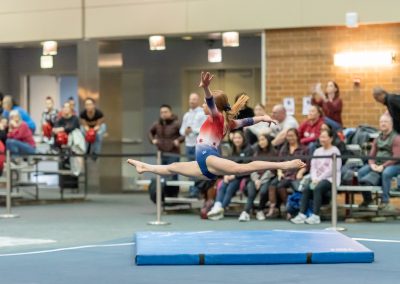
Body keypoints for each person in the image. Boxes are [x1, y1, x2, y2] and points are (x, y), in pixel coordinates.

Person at [127, 72, 305, 187]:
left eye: (205, 103)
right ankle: (145, 166)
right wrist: (262, 118)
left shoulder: (217, 116)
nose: (204, 105)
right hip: (203, 165)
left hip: (208, 158)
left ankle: (284, 164)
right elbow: (247, 121)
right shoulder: (227, 122)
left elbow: (212, 103)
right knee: (173, 167)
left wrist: (206, 88)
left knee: (240, 169)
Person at [291, 129, 342, 225]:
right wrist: (314, 178)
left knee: (318, 188)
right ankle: (302, 214)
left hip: (330, 179)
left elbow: (333, 169)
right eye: (321, 137)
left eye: (324, 137)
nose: (322, 139)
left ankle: (315, 216)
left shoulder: (335, 151)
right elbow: (313, 167)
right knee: (306, 188)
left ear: (330, 138)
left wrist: (319, 179)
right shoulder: (317, 151)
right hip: (315, 178)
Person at [357, 113, 400, 211]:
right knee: (361, 172)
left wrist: (383, 166)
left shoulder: (396, 138)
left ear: (391, 124)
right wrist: (372, 164)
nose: (383, 124)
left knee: (386, 173)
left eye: (385, 122)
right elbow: (371, 155)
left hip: (395, 164)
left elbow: (396, 157)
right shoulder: (377, 139)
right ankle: (367, 200)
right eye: (381, 122)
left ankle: (385, 202)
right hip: (378, 164)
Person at [208, 131, 253, 220]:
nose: (237, 140)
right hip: (231, 174)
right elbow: (228, 164)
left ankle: (221, 209)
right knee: (222, 186)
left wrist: (234, 176)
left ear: (243, 139)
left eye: (239, 138)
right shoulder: (232, 149)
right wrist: (226, 174)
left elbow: (246, 167)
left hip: (242, 176)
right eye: (235, 138)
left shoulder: (249, 149)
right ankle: (216, 206)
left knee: (230, 188)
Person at [268, 128, 308, 218]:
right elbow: (279, 162)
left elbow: (307, 164)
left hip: (296, 174)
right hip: (285, 174)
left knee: (282, 185)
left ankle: (290, 209)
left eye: (292, 136)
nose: (290, 138)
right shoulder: (284, 148)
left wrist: (301, 172)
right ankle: (286, 208)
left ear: (297, 136)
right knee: (274, 185)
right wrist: (279, 172)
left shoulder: (304, 149)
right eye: (288, 136)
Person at [240, 134, 277, 221]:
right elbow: (252, 167)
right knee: (251, 191)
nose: (261, 142)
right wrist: (256, 179)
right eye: (260, 140)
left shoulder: (274, 153)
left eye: (263, 140)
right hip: (255, 178)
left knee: (264, 191)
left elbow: (272, 170)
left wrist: (260, 180)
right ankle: (245, 212)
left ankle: (260, 210)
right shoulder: (255, 152)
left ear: (268, 140)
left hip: (267, 178)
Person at [179, 93, 207, 160]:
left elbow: (205, 129)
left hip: (199, 145)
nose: (191, 101)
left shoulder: (203, 113)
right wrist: (185, 131)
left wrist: (193, 130)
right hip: (188, 144)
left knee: (199, 166)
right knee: (189, 166)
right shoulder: (186, 115)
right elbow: (181, 130)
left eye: (194, 99)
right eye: (190, 99)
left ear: (198, 101)